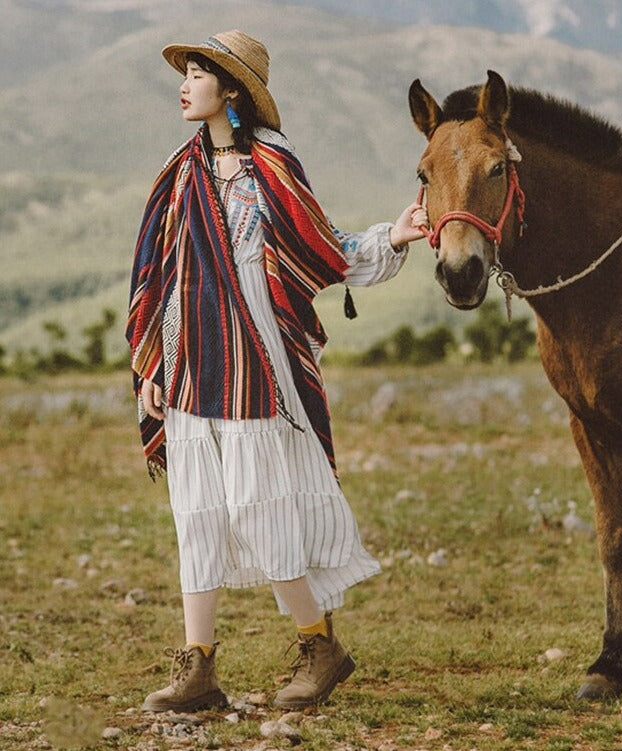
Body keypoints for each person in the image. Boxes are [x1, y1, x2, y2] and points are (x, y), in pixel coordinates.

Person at [126, 29, 427, 713]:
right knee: (197, 513)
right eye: (187, 72)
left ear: (230, 90)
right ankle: (197, 666)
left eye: (199, 73)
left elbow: (322, 246)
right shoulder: (179, 172)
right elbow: (159, 274)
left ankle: (321, 645)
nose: (185, 83)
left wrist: (393, 236)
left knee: (262, 510)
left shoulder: (271, 164)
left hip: (254, 361)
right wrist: (152, 361)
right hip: (190, 362)